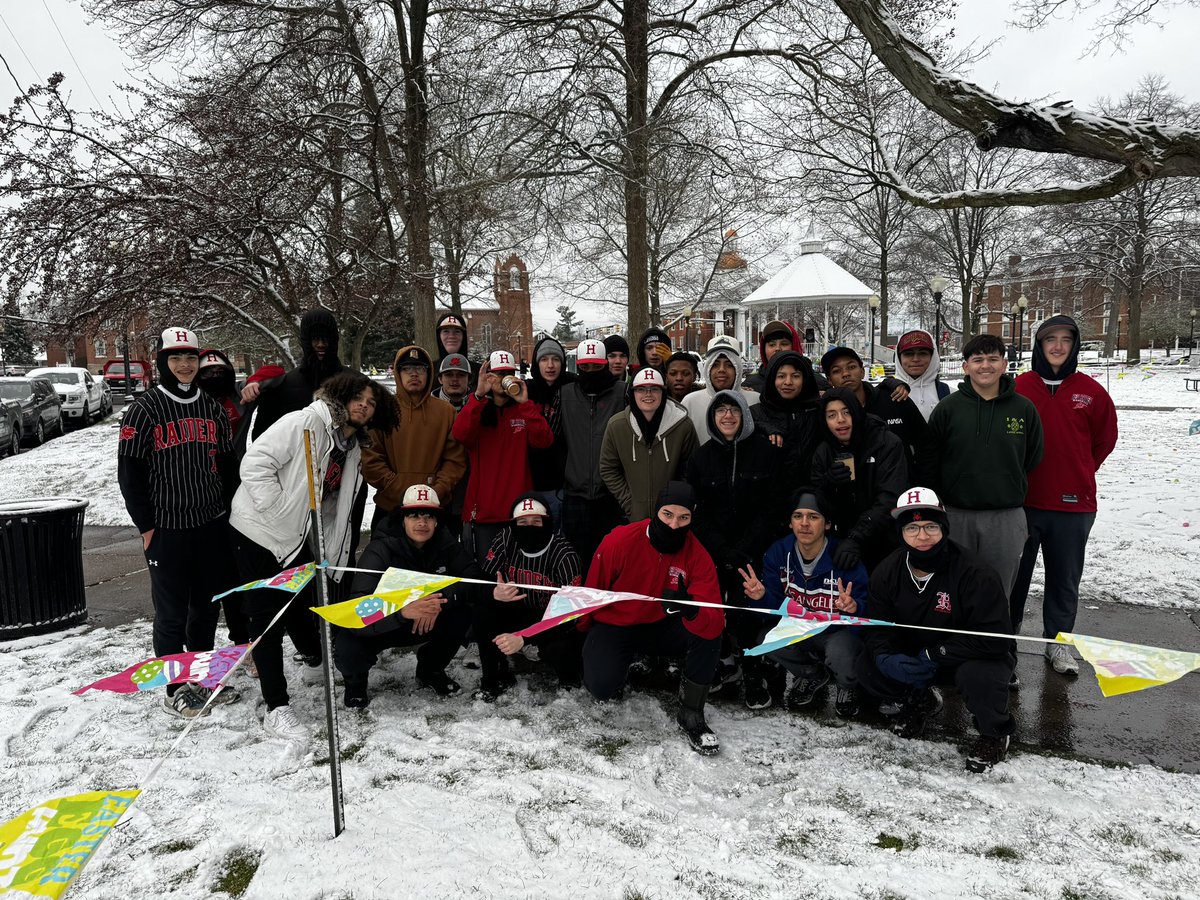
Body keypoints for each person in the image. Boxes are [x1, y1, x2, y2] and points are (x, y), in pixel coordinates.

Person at [229, 371, 398, 742]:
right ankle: (276, 708)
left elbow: (333, 503)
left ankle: (312, 662)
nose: (364, 407)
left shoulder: (351, 446)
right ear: (343, 396)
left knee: (296, 602)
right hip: (258, 531)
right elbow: (254, 464)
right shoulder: (305, 422)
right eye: (359, 399)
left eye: (371, 404)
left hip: (295, 537)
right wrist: (279, 514)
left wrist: (327, 547)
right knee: (266, 617)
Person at [118, 327, 241, 719]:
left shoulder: (211, 406)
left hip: (209, 522)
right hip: (167, 527)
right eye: (176, 358)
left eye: (191, 358)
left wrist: (228, 511)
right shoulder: (145, 409)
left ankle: (201, 678)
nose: (185, 365)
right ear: (163, 362)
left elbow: (225, 464)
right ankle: (174, 688)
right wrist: (146, 526)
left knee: (205, 608)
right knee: (171, 612)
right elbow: (130, 474)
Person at [857, 487, 1017, 773]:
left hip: (963, 656)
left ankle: (994, 732)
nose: (922, 536)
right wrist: (885, 656)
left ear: (944, 528)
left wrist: (938, 653)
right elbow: (876, 625)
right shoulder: (887, 571)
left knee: (980, 676)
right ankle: (918, 700)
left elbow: (995, 640)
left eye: (931, 526)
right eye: (912, 528)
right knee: (867, 664)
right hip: (918, 654)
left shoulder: (975, 573)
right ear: (901, 533)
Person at [581, 482, 725, 755]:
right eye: (667, 515)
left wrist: (691, 608)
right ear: (656, 511)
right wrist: (587, 634)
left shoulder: (698, 556)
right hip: (618, 625)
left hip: (662, 626)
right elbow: (592, 592)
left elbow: (714, 619)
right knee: (600, 687)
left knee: (709, 634)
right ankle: (621, 664)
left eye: (684, 518)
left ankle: (692, 712)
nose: (673, 525)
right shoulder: (619, 541)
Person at [1011, 316, 1118, 675]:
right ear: (1038, 345)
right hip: (1022, 503)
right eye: (1050, 340)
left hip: (1073, 506)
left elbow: (1104, 441)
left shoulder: (1091, 391)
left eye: (1065, 340)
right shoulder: (1019, 387)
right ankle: (1005, 645)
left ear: (1074, 345)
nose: (1057, 346)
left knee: (1064, 580)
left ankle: (1058, 645)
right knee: (1014, 580)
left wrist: (1080, 470)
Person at [922, 334, 1043, 599]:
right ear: (966, 366)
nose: (985, 366)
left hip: (1005, 517)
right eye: (977, 360)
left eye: (992, 359)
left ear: (1004, 364)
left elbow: (1032, 456)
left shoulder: (1024, 409)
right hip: (956, 514)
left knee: (997, 591)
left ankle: (996, 641)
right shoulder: (948, 409)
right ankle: (952, 641)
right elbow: (931, 458)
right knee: (952, 588)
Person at [334, 485, 476, 707]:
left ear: (437, 521)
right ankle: (356, 683)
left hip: (425, 621)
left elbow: (471, 579)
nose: (422, 522)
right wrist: (402, 611)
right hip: (384, 624)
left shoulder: (448, 544)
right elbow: (359, 605)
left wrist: (435, 600)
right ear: (403, 519)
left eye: (429, 516)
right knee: (348, 642)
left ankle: (430, 670)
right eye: (414, 515)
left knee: (462, 613)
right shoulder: (379, 549)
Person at [685, 391, 782, 707]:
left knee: (746, 614)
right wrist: (722, 549)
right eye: (720, 411)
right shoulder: (702, 457)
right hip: (714, 552)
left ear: (744, 414)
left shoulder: (766, 453)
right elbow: (696, 511)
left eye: (734, 410)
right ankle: (716, 664)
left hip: (752, 552)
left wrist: (743, 549)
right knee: (709, 610)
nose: (727, 416)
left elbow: (771, 508)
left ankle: (753, 673)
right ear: (712, 418)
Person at [739, 488, 869, 714]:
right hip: (801, 629)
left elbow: (868, 612)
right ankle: (813, 675)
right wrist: (761, 598)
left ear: (827, 524)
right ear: (790, 522)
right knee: (766, 638)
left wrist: (853, 608)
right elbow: (774, 609)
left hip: (835, 634)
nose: (804, 523)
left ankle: (847, 686)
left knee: (842, 650)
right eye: (798, 516)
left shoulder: (844, 556)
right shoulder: (778, 553)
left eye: (813, 516)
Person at [452, 349, 554, 565]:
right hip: (483, 513)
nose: (502, 379)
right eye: (497, 373)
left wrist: (525, 403)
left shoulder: (523, 410)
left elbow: (544, 441)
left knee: (519, 571)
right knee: (486, 572)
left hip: (518, 511)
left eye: (508, 372)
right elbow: (460, 434)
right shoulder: (477, 409)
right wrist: (478, 396)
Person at [479, 493, 585, 699]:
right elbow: (482, 580)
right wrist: (494, 592)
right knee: (483, 611)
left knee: (561, 649)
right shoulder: (506, 538)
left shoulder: (564, 555)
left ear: (548, 523)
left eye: (536, 522)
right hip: (515, 609)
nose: (529, 527)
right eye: (522, 522)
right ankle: (495, 677)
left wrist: (525, 638)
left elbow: (571, 614)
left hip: (552, 619)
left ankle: (569, 679)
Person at [361, 345, 466, 527]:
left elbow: (455, 460)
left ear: (429, 373)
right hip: (391, 507)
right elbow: (371, 458)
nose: (414, 374)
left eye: (419, 369)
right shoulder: (383, 410)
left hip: (435, 508)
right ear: (398, 373)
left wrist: (436, 491)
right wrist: (398, 488)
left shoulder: (446, 412)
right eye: (407, 369)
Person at [811, 388, 908, 572]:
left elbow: (890, 499)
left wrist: (856, 538)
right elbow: (819, 502)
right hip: (841, 543)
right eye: (832, 415)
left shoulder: (886, 442)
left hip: (884, 541)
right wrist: (828, 484)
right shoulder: (824, 451)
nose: (840, 419)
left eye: (846, 412)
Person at [560, 338, 628, 564]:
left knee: (611, 559)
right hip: (575, 493)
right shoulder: (565, 394)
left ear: (605, 365)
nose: (591, 372)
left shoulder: (623, 393)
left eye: (597, 367)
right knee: (577, 560)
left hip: (610, 495)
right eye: (585, 367)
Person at [600, 367, 697, 524]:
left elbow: (690, 469)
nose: (648, 394)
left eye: (654, 389)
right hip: (633, 517)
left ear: (663, 393)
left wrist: (675, 505)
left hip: (672, 519)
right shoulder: (617, 425)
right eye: (641, 389)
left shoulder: (683, 425)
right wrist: (629, 503)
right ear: (632, 393)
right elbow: (608, 468)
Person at [239, 308, 348, 444]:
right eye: (315, 339)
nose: (320, 345)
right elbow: (263, 443)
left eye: (325, 339)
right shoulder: (283, 386)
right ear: (306, 341)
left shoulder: (357, 383)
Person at [822, 346, 928, 474]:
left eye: (851, 367)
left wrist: (921, 483)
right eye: (836, 371)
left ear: (862, 372)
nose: (845, 374)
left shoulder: (895, 399)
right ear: (829, 380)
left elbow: (927, 444)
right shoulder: (826, 414)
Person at [750, 350, 822, 519]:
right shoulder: (755, 414)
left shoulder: (817, 412)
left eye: (795, 376)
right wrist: (763, 427)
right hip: (768, 506)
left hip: (810, 503)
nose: (788, 382)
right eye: (781, 376)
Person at [526, 337, 577, 525]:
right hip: (532, 480)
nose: (550, 365)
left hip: (564, 481)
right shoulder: (526, 391)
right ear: (536, 363)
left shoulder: (573, 387)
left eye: (555, 359)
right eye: (544, 359)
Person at [683, 334, 760, 444]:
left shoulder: (755, 401)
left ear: (737, 368)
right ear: (707, 368)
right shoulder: (690, 402)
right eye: (715, 364)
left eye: (729, 365)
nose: (721, 370)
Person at [891, 329, 949, 421]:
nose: (916, 359)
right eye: (908, 354)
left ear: (932, 357)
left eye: (922, 353)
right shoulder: (885, 394)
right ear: (899, 358)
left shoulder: (949, 394)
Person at [743, 320, 801, 393]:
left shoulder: (814, 383)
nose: (777, 349)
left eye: (784, 344)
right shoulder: (750, 386)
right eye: (772, 345)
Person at [197, 348, 244, 433]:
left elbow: (272, 375)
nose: (215, 376)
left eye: (220, 372)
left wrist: (255, 381)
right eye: (208, 372)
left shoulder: (239, 394)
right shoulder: (191, 401)